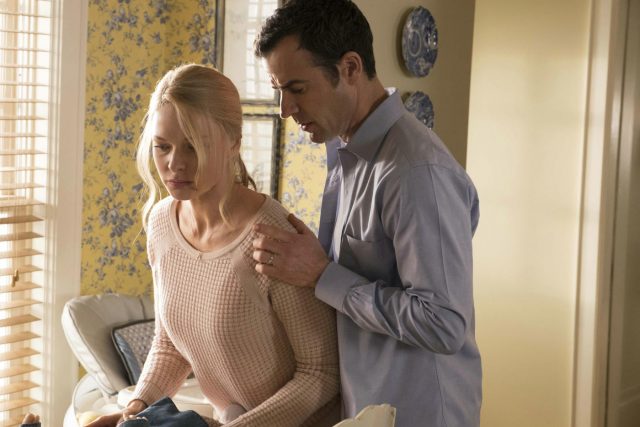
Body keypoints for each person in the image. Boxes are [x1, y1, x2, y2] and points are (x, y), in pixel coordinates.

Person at [251, 1, 482, 426]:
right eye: (278, 90)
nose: (285, 109)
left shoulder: (415, 172)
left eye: (297, 89)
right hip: (364, 408)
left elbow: (443, 323)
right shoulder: (345, 152)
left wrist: (322, 275)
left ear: (351, 68)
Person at [83, 63, 340, 427]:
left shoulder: (273, 236)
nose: (175, 164)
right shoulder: (161, 224)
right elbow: (170, 345)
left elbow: (321, 373)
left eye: (193, 146)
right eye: (162, 146)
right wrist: (135, 410)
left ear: (234, 142)